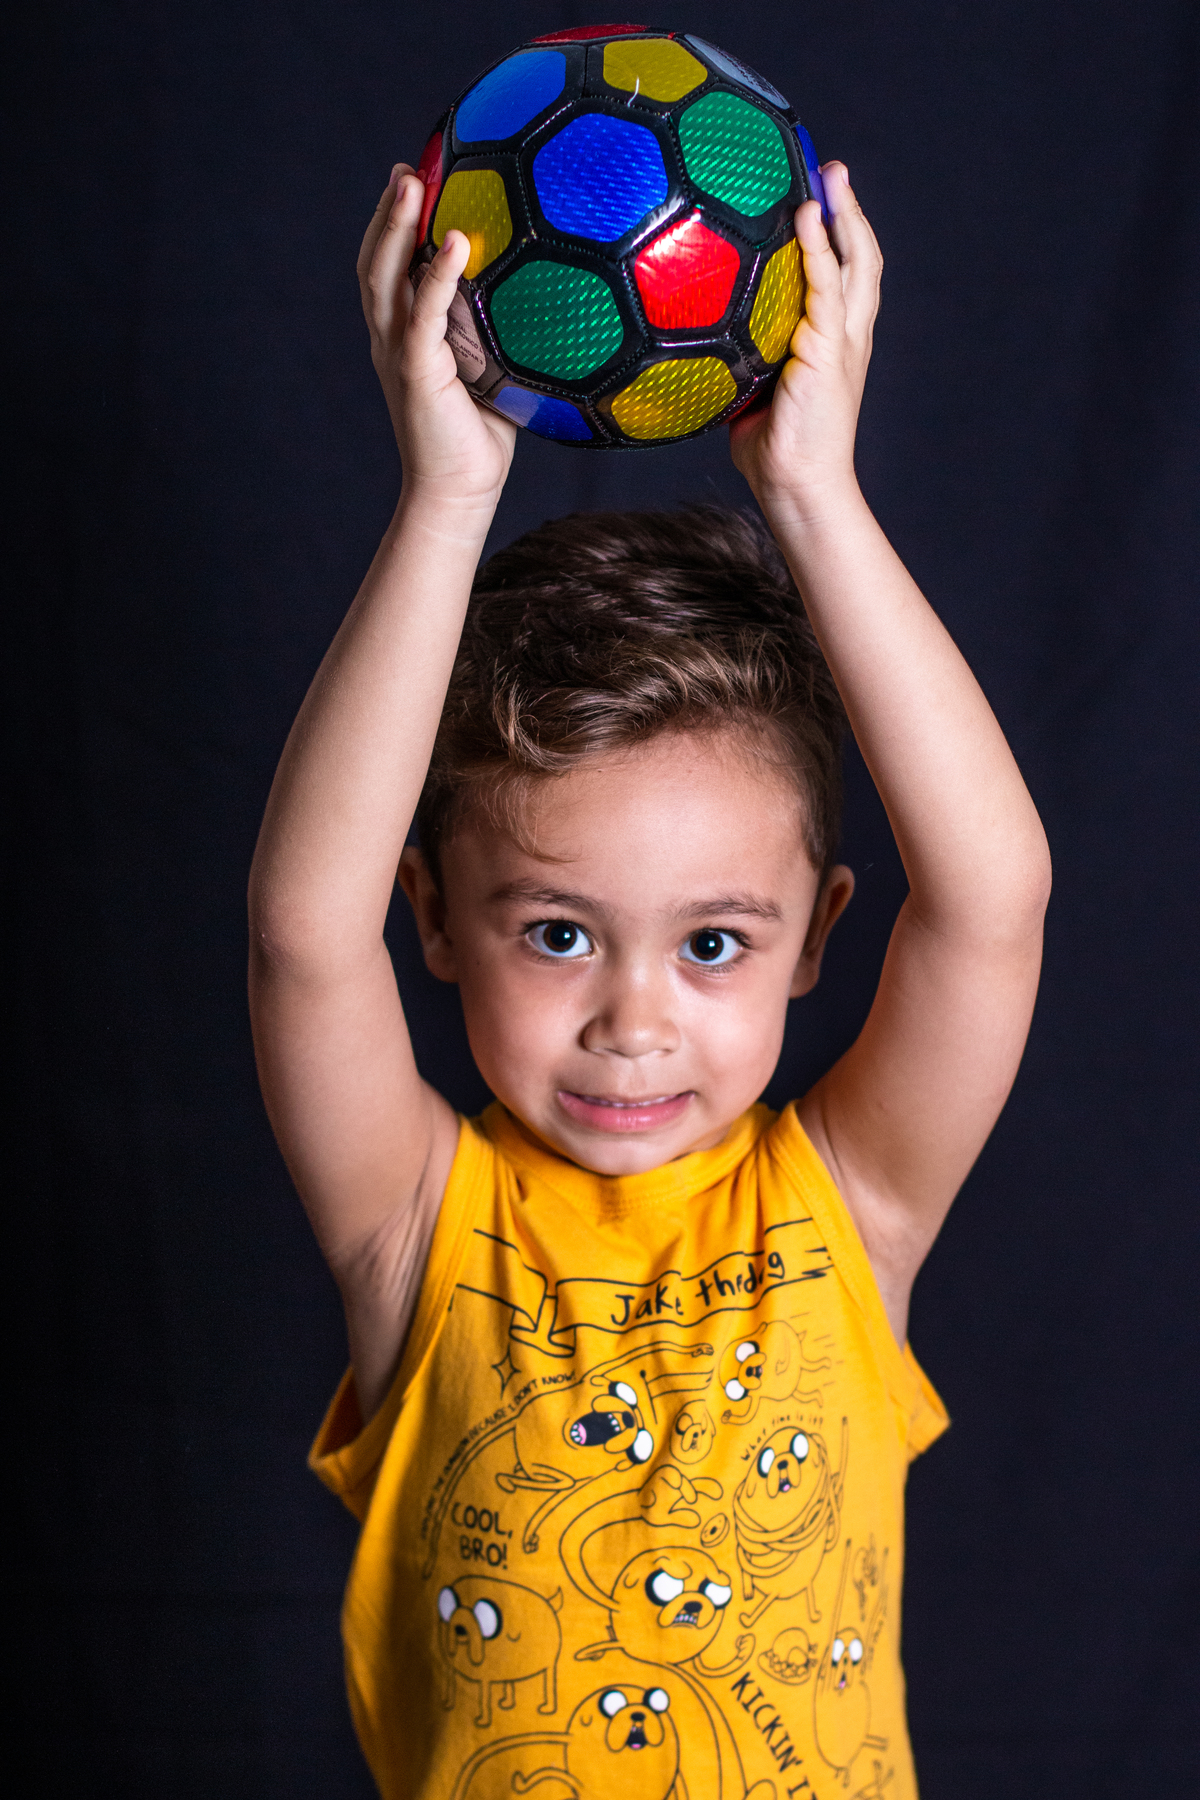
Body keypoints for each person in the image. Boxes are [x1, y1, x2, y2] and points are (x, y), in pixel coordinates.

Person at [248, 157, 1050, 1800]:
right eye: (557, 932)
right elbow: (300, 936)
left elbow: (993, 902)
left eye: (712, 943)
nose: (632, 1019)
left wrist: (815, 496)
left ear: (816, 936)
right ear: (435, 920)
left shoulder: (849, 1212)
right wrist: (445, 501)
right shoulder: (421, 1228)